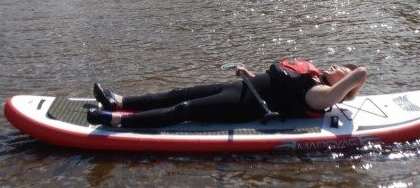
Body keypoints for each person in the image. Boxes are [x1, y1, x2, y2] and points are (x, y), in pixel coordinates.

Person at [87, 59, 367, 128]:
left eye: (343, 69)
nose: (338, 65)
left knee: (184, 109)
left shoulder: (320, 94)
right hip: (241, 88)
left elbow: (359, 75)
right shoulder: (310, 74)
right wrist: (249, 73)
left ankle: (115, 121)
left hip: (244, 105)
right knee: (177, 92)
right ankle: (119, 101)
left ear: (344, 87)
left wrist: (356, 76)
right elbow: (272, 81)